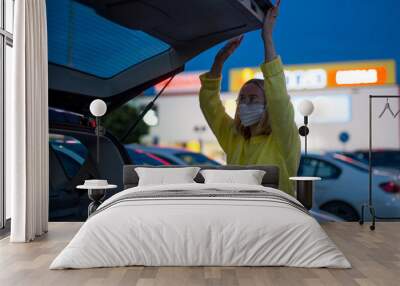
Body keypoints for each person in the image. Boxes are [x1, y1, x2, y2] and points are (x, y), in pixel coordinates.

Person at [198, 0, 300, 195]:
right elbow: (209, 105)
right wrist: (219, 61)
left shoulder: (283, 138)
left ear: (268, 105)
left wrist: (267, 37)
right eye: (242, 99)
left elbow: (279, 98)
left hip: (275, 215)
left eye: (253, 99)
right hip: (239, 216)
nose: (245, 104)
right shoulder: (233, 138)